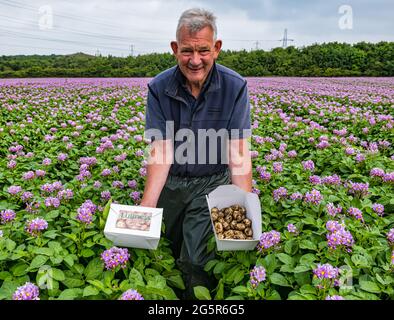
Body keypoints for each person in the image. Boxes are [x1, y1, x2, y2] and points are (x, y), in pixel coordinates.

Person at [140, 8, 252, 299]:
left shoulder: (234, 86)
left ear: (216, 48)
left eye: (203, 50)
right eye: (187, 50)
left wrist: (245, 208)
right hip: (172, 182)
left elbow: (237, 152)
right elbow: (161, 150)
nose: (195, 60)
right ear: (175, 49)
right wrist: (147, 205)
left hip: (211, 182)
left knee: (195, 258)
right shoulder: (159, 87)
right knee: (169, 246)